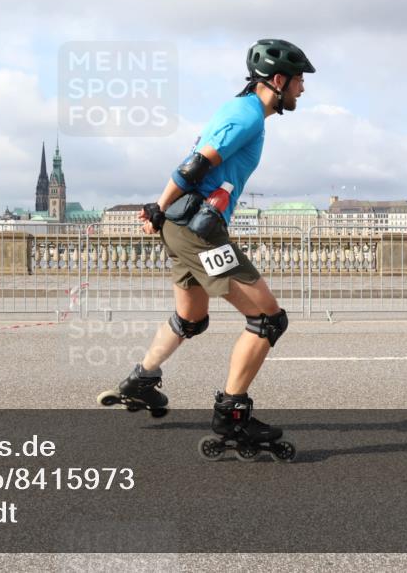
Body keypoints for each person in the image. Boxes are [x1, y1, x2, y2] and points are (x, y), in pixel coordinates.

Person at [97, 39, 315, 453]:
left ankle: (141, 381)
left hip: (184, 227)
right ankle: (232, 416)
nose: (302, 89)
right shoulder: (248, 115)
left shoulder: (241, 111)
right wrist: (157, 207)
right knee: (268, 320)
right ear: (279, 80)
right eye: (299, 80)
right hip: (198, 231)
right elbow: (197, 164)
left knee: (191, 317)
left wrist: (162, 212)